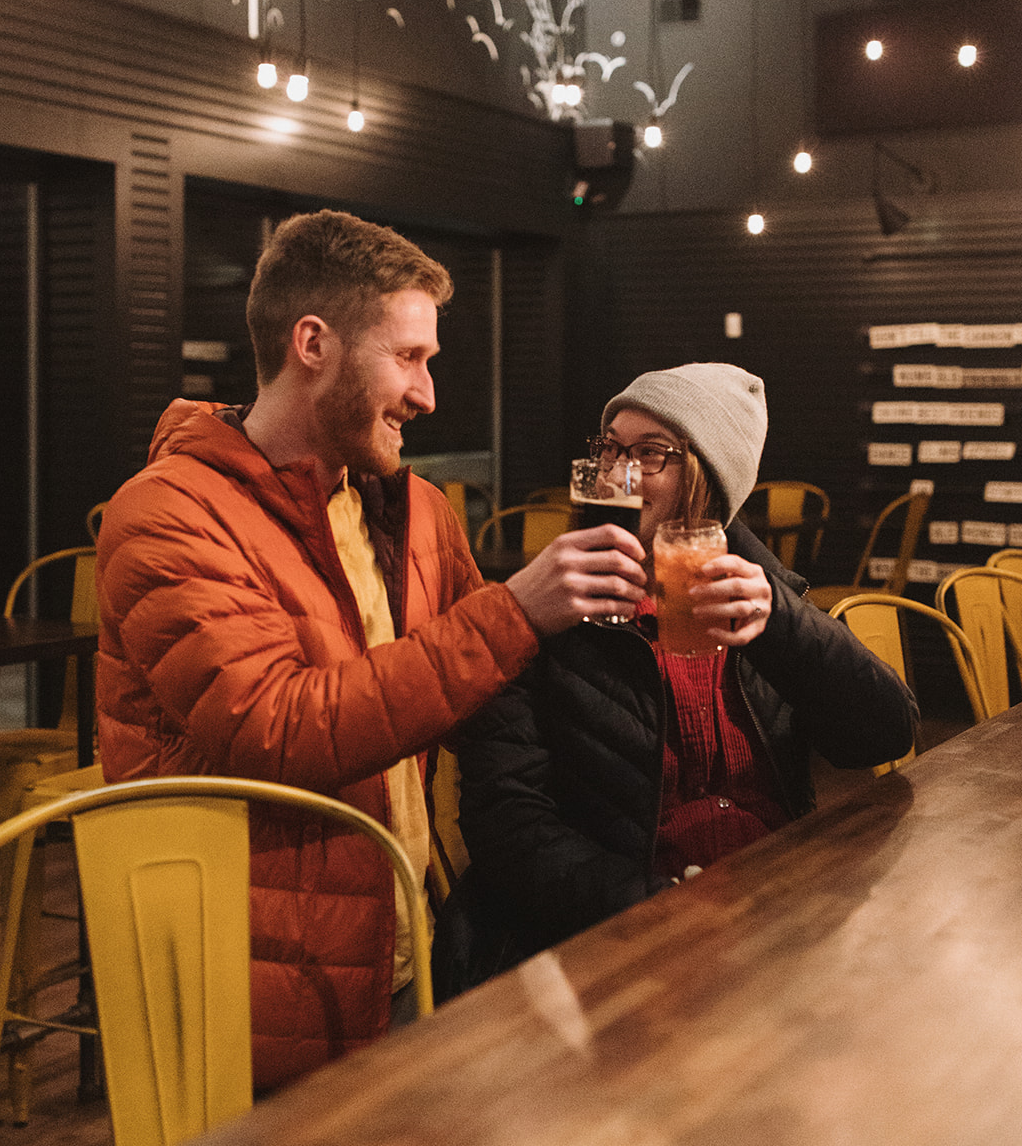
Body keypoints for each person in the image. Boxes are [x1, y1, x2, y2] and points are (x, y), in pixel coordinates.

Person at [95, 209, 645, 1089]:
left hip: (408, 950)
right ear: (313, 343)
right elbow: (276, 731)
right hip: (248, 986)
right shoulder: (166, 515)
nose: (428, 395)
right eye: (409, 358)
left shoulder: (411, 506)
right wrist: (514, 613)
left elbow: (502, 691)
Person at [436, 362, 918, 992]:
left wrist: (784, 623)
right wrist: (656, 903)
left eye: (649, 453)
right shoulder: (548, 613)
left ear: (710, 480)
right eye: (609, 448)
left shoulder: (759, 598)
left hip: (775, 912)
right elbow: (507, 826)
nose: (615, 472)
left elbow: (884, 736)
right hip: (613, 942)